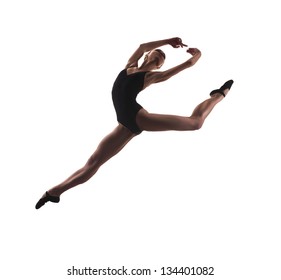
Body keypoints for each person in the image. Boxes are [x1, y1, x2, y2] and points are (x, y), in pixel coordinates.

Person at [35, 37, 234, 209]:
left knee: (195, 123)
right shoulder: (130, 66)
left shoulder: (150, 76)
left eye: (162, 59)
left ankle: (218, 95)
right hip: (125, 123)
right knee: (92, 163)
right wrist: (167, 41)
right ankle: (54, 192)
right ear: (147, 57)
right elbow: (142, 45)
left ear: (158, 66)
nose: (159, 56)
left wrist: (196, 55)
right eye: (156, 54)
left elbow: (187, 66)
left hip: (139, 117)